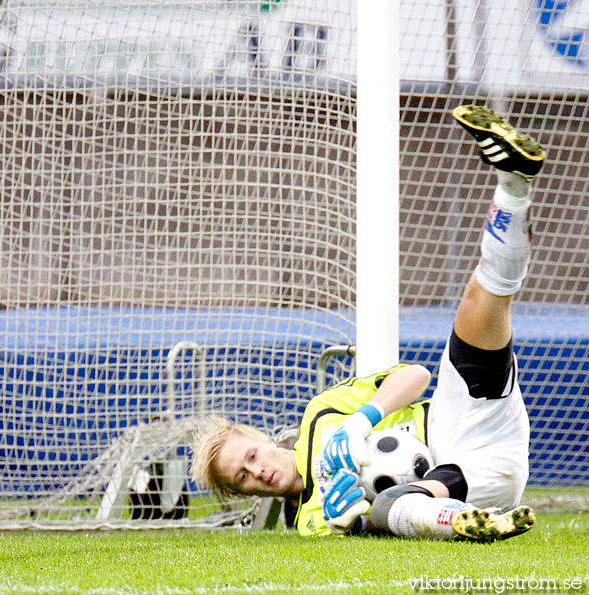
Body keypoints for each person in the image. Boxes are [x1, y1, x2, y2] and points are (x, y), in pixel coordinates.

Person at [191, 105, 546, 541]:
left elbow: (415, 375)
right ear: (246, 495)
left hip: (466, 422)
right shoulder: (309, 520)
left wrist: (361, 420)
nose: (258, 471)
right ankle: (471, 522)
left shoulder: (321, 416)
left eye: (249, 456)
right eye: (242, 478)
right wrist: (352, 523)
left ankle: (514, 184)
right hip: (456, 483)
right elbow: (352, 526)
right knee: (389, 507)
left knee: (482, 298)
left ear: (261, 437)